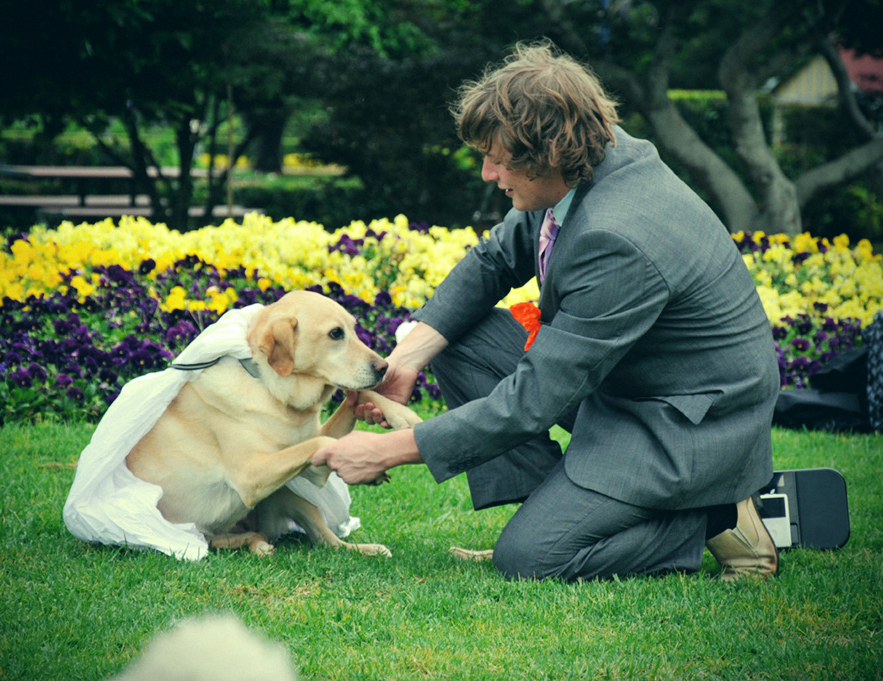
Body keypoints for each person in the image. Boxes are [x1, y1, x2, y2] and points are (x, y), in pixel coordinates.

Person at [311, 41, 781, 582]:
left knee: (531, 559)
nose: (488, 173)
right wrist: (405, 361)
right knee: (456, 337)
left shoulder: (615, 237)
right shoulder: (593, 163)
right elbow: (494, 259)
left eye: (499, 159)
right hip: (633, 385)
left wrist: (388, 450)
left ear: (550, 153)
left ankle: (708, 513)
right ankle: (558, 509)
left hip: (683, 423)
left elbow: (532, 401)